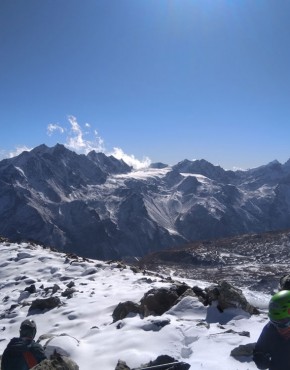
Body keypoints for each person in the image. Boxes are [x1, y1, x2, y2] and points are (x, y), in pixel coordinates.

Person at [253, 290, 290, 370]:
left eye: (282, 322)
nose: (279, 328)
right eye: (274, 322)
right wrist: (260, 359)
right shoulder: (270, 329)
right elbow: (259, 350)